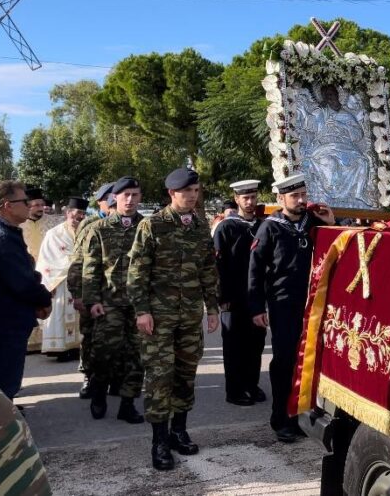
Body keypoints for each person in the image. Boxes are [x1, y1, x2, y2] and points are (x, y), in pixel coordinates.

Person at [127, 168, 220, 470]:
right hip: (158, 318)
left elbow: (207, 269)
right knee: (159, 376)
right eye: (186, 191)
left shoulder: (201, 225)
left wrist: (213, 308)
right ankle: (159, 441)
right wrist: (142, 310)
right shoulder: (152, 226)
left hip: (190, 315)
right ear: (172, 193)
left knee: (185, 374)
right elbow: (137, 272)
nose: (193, 196)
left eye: (196, 190)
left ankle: (179, 431)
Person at [248, 173, 335, 443]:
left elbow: (337, 242)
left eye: (303, 195)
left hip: (313, 302)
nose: (300, 200)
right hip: (283, 303)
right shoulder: (270, 227)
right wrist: (256, 306)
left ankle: (301, 415)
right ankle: (280, 418)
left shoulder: (313, 221)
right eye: (294, 196)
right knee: (285, 361)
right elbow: (255, 270)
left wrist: (332, 223)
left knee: (307, 359)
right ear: (280, 198)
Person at [80, 177, 146, 424]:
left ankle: (128, 404)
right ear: (115, 198)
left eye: (135, 195)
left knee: (137, 356)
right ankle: (98, 394)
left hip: (139, 304)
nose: (130, 200)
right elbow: (91, 268)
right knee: (104, 353)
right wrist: (91, 300)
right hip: (109, 303)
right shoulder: (100, 229)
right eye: (125, 195)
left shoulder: (147, 227)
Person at [0, 181, 53, 398]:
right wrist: (44, 298)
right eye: (24, 201)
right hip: (5, 322)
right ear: (8, 206)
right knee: (4, 380)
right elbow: (21, 282)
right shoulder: (1, 235)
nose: (29, 204)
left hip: (5, 318)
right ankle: (4, 425)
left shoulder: (4, 230)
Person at [213, 179, 267, 407]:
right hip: (233, 299)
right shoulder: (227, 227)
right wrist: (221, 298)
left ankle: (251, 386)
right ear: (236, 200)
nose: (250, 202)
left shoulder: (263, 226)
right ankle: (234, 390)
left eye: (253, 197)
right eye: (245, 198)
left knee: (256, 344)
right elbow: (217, 266)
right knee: (234, 347)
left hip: (256, 298)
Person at [68, 181, 115, 399]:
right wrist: (77, 293)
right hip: (92, 292)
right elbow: (77, 261)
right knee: (90, 337)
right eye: (111, 197)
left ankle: (117, 379)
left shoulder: (126, 223)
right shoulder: (90, 223)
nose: (116, 200)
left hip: (116, 295)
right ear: (101, 201)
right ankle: (89, 377)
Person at [36, 196, 87, 358]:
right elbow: (47, 259)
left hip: (83, 280)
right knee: (61, 315)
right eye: (76, 213)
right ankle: (61, 349)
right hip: (61, 282)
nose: (79, 216)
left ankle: (79, 347)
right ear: (68, 213)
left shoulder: (88, 231)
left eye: (82, 213)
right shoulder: (54, 233)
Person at [20, 187, 57, 262]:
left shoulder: (54, 223)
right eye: (37, 205)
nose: (41, 208)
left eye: (42, 205)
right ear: (28, 206)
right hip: (25, 265)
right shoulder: (19, 224)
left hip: (47, 265)